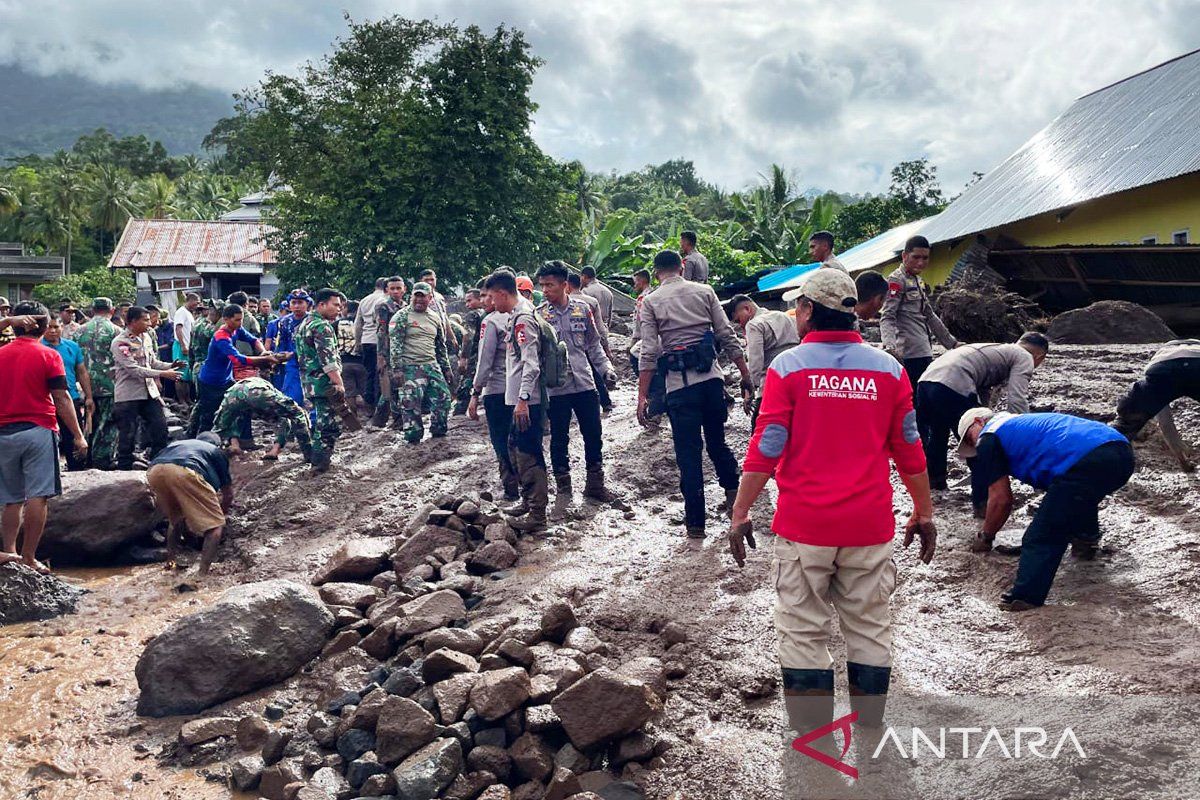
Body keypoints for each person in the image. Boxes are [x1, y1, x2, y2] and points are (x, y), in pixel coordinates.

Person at [727, 268, 935, 736]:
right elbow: (909, 447)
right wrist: (923, 512)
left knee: (802, 630)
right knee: (869, 626)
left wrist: (741, 512)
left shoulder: (788, 368)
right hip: (868, 526)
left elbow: (768, 444)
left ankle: (812, 732)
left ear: (806, 311)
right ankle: (869, 726)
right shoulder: (890, 369)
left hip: (806, 527)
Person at [957, 409, 1135, 610]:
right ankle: (1085, 541)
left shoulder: (988, 437)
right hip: (1121, 451)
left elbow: (1001, 500)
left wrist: (986, 537)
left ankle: (1025, 597)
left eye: (969, 439)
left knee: (1041, 536)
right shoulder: (1019, 423)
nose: (973, 447)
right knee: (1077, 496)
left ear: (979, 421)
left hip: (1086, 460)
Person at [636, 250, 754, 538]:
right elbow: (726, 334)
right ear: (682, 267)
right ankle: (734, 498)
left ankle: (696, 525)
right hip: (711, 382)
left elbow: (649, 350)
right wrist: (745, 373)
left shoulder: (651, 301)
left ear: (656, 273)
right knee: (717, 442)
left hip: (679, 387)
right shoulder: (705, 291)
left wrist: (642, 395)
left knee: (688, 455)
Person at [0, 303, 88, 573]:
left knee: (11, 497)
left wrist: (7, 320)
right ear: (43, 327)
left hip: (3, 432)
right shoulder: (49, 355)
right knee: (38, 496)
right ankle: (28, 557)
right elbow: (61, 397)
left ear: (16, 326)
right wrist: (78, 435)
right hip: (38, 428)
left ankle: (9, 552)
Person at [917, 332, 1049, 497]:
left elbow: (982, 394)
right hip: (955, 381)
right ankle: (983, 502)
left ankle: (935, 486)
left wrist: (987, 417)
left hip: (926, 382)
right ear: (1039, 357)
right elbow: (1016, 399)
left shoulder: (998, 351)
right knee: (978, 444)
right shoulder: (1025, 356)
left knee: (937, 434)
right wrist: (1020, 433)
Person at [536, 261, 618, 506]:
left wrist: (606, 369)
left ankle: (595, 485)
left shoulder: (583, 309)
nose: (546, 290)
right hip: (556, 389)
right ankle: (564, 488)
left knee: (593, 434)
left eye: (550, 285)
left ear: (564, 285)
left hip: (584, 384)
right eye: (543, 286)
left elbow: (593, 345)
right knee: (559, 438)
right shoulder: (538, 316)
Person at [487, 271, 549, 533]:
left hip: (529, 401)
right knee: (517, 448)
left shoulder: (523, 318)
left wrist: (523, 399)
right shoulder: (518, 314)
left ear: (503, 293)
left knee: (529, 455)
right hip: (520, 399)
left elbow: (531, 364)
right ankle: (528, 502)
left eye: (491, 297)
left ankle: (537, 515)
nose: (490, 302)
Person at [880, 236, 959, 397]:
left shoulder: (918, 281)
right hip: (908, 354)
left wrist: (952, 343)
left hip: (923, 351)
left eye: (925, 258)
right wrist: (890, 348)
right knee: (912, 398)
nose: (921, 262)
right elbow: (888, 316)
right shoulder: (896, 281)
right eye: (916, 257)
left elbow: (929, 316)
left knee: (924, 397)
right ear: (904, 256)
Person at [147, 432, 232, 575]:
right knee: (215, 527)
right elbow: (228, 494)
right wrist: (220, 514)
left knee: (176, 519)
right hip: (186, 470)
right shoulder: (216, 451)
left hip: (155, 471)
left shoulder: (177, 444)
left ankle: (170, 563)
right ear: (218, 445)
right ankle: (202, 574)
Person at [193, 303, 282, 436]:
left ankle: (245, 439)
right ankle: (202, 443)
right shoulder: (221, 337)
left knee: (243, 404)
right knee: (209, 416)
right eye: (237, 320)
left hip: (226, 379)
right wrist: (265, 360)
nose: (240, 323)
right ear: (226, 319)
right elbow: (238, 359)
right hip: (210, 382)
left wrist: (264, 352)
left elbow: (254, 340)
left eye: (241, 319)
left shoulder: (236, 330)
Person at [1113, 339, 1200, 471]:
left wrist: (1183, 463)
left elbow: (1165, 423)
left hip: (1161, 369)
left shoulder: (1163, 353)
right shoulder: (1196, 345)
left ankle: (1097, 460)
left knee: (1125, 424)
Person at [110, 306, 180, 470]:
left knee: (160, 428)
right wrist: (162, 374)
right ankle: (125, 472)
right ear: (133, 322)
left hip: (149, 392)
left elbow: (152, 362)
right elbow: (133, 369)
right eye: (146, 320)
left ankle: (158, 466)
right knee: (128, 436)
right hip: (129, 394)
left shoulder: (147, 337)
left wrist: (170, 365)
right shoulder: (121, 342)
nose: (150, 323)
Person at [468, 289, 519, 500]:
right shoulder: (526, 314)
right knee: (522, 439)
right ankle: (531, 489)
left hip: (497, 390)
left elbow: (485, 361)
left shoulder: (490, 321)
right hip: (522, 390)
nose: (483, 300)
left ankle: (511, 489)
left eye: (486, 295)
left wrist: (475, 392)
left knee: (501, 440)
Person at [389, 282, 453, 444]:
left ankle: (438, 431)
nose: (419, 300)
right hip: (409, 366)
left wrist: (446, 368)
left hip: (431, 365)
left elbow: (440, 345)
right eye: (416, 296)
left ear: (430, 298)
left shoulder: (435, 317)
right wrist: (397, 369)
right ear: (411, 296)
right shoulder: (402, 316)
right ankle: (413, 437)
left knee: (443, 399)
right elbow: (395, 344)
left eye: (422, 297)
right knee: (410, 404)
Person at [296, 289, 352, 472]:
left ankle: (318, 461)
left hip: (310, 383)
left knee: (322, 422)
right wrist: (339, 384)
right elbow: (328, 361)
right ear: (321, 305)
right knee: (328, 426)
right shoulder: (322, 326)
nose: (339, 309)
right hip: (324, 384)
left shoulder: (305, 323)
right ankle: (320, 464)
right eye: (335, 305)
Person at [728, 294, 800, 428]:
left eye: (738, 320)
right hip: (797, 380)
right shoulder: (784, 316)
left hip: (770, 384)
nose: (740, 325)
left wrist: (750, 393)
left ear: (747, 309)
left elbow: (756, 361)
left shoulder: (754, 325)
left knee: (759, 427)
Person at [74, 297, 122, 468]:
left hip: (84, 385)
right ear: (112, 310)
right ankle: (102, 460)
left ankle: (85, 457)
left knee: (88, 422)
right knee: (107, 424)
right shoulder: (116, 331)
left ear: (92, 310)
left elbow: (75, 359)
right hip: (110, 385)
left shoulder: (79, 331)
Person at [214, 376, 311, 461]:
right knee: (297, 414)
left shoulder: (247, 402)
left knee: (220, 427)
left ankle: (227, 449)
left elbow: (225, 423)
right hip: (257, 392)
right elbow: (285, 419)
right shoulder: (269, 390)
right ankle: (309, 454)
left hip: (232, 395)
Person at [41, 317, 93, 471]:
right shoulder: (39, 347)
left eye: (56, 327)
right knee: (48, 438)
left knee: (73, 436)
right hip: (46, 399)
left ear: (61, 327)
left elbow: (82, 372)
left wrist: (89, 397)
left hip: (71, 398)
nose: (52, 330)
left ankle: (76, 469)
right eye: (49, 327)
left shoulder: (72, 346)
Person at [567, 273, 615, 414]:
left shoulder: (567, 302)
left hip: (573, 346)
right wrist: (606, 347)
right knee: (595, 373)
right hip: (590, 341)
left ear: (567, 285)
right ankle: (606, 402)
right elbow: (600, 327)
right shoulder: (593, 300)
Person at [370, 276, 408, 427]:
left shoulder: (406, 306)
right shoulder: (384, 307)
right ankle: (392, 421)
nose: (396, 291)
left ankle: (382, 421)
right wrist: (381, 356)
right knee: (391, 387)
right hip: (389, 350)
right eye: (392, 288)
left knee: (399, 385)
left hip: (405, 349)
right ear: (387, 290)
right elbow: (381, 331)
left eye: (399, 288)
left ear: (404, 289)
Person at [267, 291, 311, 408]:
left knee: (314, 397)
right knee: (292, 395)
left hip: (312, 361)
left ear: (307, 304)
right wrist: (278, 358)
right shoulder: (285, 321)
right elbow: (281, 343)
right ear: (289, 305)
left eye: (300, 302)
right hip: (292, 362)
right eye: (294, 302)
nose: (297, 306)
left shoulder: (313, 321)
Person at [354, 277, 389, 408]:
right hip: (379, 340)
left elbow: (358, 324)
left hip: (366, 340)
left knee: (369, 374)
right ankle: (380, 404)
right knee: (382, 374)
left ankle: (368, 403)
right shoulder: (385, 301)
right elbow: (380, 324)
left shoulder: (364, 300)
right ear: (386, 287)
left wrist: (358, 343)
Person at [454, 289, 486, 416]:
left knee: (465, 387)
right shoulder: (487, 313)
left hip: (474, 357)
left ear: (479, 299)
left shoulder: (472, 315)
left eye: (469, 300)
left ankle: (458, 415)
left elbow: (468, 336)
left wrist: (463, 357)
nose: (467, 304)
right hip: (486, 356)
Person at [338, 300, 367, 410]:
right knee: (365, 391)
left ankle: (354, 418)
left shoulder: (338, 323)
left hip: (344, 362)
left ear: (346, 309)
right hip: (362, 362)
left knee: (349, 393)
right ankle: (369, 415)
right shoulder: (364, 323)